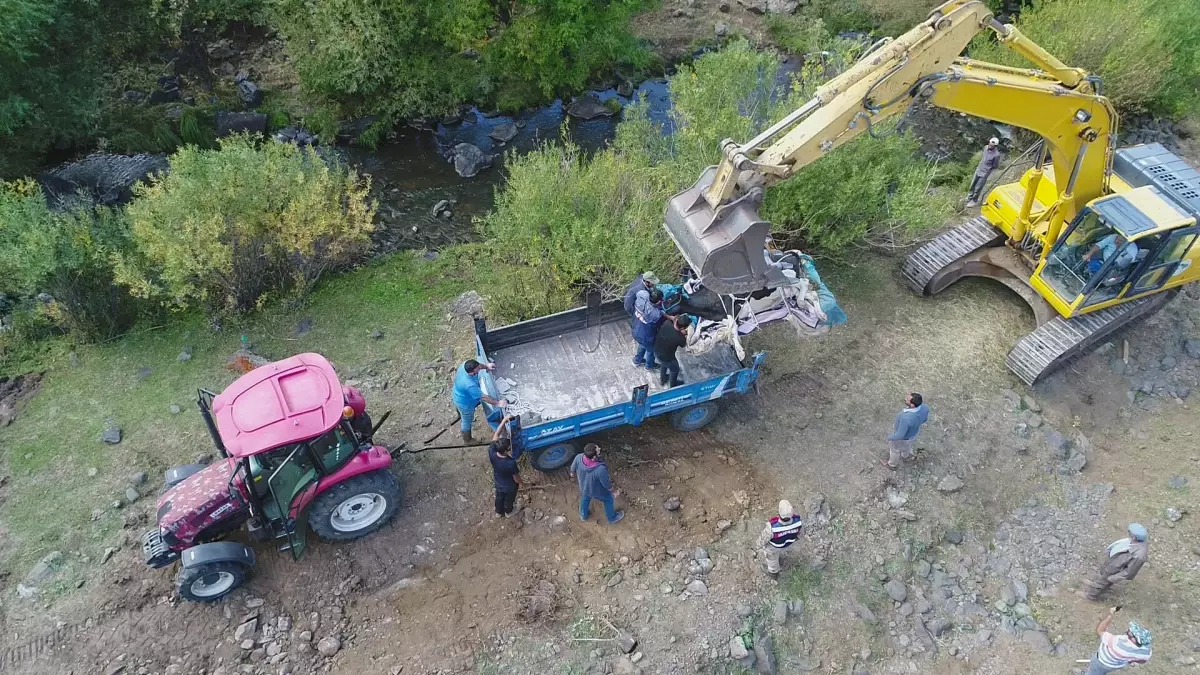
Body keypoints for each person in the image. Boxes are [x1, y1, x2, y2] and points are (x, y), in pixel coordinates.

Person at [1080, 523, 1149, 601]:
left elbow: (1129, 572)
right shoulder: (1137, 541)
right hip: (1112, 564)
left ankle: (1090, 596)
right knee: (1101, 578)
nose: (1128, 533)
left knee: (1102, 583)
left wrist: (1115, 577)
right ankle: (1094, 585)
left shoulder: (1139, 556)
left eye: (1130, 533)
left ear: (1134, 537)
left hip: (1114, 571)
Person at [452, 359, 506, 443]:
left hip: (458, 393)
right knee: (466, 420)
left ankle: (459, 415)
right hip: (465, 403)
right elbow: (483, 397)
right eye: (478, 369)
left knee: (461, 412)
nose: (480, 369)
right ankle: (468, 440)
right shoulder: (469, 385)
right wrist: (498, 403)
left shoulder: (465, 365)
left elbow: (478, 365)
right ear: (472, 373)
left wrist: (486, 366)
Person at [1084, 608, 1152, 674]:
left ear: (1135, 640)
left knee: (1095, 671)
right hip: (1114, 666)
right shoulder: (1146, 651)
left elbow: (1100, 631)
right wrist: (1129, 660)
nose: (1129, 631)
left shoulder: (1118, 643)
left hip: (1102, 661)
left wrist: (1110, 615)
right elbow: (1142, 661)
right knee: (1101, 671)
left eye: (1132, 633)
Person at [575, 443, 624, 524]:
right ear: (594, 457)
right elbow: (606, 484)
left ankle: (583, 515)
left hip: (584, 487)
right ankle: (612, 518)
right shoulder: (600, 469)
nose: (600, 448)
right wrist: (612, 491)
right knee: (608, 499)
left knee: (585, 497)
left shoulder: (578, 457)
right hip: (596, 490)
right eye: (598, 450)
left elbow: (572, 470)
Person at [756, 500, 804, 576]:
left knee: (772, 559)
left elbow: (763, 539)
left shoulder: (772, 527)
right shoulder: (798, 522)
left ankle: (773, 572)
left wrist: (758, 546)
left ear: (779, 513)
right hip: (787, 544)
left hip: (774, 547)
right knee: (782, 550)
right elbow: (800, 534)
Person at [882, 392, 929, 469]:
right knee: (907, 446)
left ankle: (892, 464)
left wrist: (889, 437)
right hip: (913, 435)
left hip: (902, 439)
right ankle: (905, 456)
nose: (905, 399)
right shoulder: (925, 408)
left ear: (912, 405)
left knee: (895, 449)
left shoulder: (906, 418)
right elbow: (925, 419)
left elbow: (900, 435)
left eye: (907, 399)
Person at [488, 417, 520, 518]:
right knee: (509, 499)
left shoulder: (492, 451)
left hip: (498, 481)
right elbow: (516, 478)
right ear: (506, 451)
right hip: (509, 485)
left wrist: (503, 420)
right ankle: (508, 512)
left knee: (499, 496)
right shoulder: (510, 463)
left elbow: (496, 435)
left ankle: (498, 512)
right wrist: (522, 483)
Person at [632, 289, 671, 371]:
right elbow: (661, 321)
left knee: (642, 345)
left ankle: (637, 360)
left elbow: (638, 292)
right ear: (658, 301)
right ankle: (649, 366)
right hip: (647, 336)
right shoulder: (655, 314)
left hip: (636, 329)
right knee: (651, 350)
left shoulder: (642, 294)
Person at [654, 315, 692, 387]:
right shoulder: (680, 338)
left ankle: (663, 379)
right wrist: (683, 334)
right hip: (668, 357)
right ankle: (673, 385)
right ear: (683, 328)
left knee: (663, 364)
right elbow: (683, 345)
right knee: (674, 369)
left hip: (657, 350)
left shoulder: (667, 323)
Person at [966, 137, 1002, 207]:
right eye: (990, 144)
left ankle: (974, 201)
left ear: (995, 146)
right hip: (979, 169)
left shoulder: (996, 155)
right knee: (973, 184)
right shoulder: (985, 148)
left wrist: (987, 170)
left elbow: (995, 166)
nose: (990, 146)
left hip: (984, 173)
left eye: (992, 146)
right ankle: (969, 197)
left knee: (978, 188)